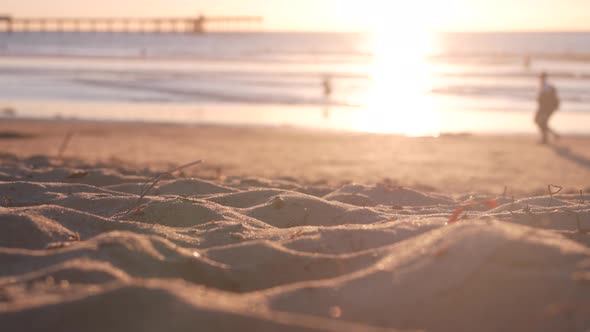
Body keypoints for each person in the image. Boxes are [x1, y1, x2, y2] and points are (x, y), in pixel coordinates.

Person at [535, 72, 560, 144]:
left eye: (541, 77)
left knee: (541, 122)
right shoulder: (542, 86)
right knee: (539, 121)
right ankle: (553, 135)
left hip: (546, 109)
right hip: (543, 108)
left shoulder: (547, 87)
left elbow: (547, 100)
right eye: (539, 77)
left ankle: (545, 138)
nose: (540, 79)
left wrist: (545, 109)